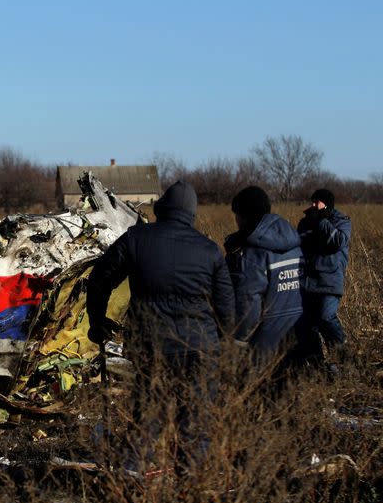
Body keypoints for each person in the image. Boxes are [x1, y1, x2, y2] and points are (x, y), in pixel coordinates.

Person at [86, 180, 235, 474]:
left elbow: (100, 278)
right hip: (200, 349)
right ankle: (188, 482)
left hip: (152, 346)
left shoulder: (137, 239)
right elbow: (228, 311)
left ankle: (130, 476)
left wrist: (97, 322)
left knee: (148, 417)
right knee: (196, 420)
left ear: (162, 208)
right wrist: (220, 342)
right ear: (192, 214)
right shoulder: (210, 251)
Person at [224, 186, 306, 366]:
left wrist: (237, 343)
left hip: (264, 350)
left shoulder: (252, 254)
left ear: (244, 216)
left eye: (237, 215)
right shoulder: (294, 244)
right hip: (298, 338)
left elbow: (248, 305)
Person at [296, 188, 351, 365]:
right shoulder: (305, 223)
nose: (312, 205)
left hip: (330, 281)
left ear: (326, 204)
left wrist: (321, 221)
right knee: (306, 325)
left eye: (316, 202)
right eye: (311, 201)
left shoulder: (341, 222)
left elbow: (337, 242)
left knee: (326, 317)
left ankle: (341, 357)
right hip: (307, 282)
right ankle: (317, 365)